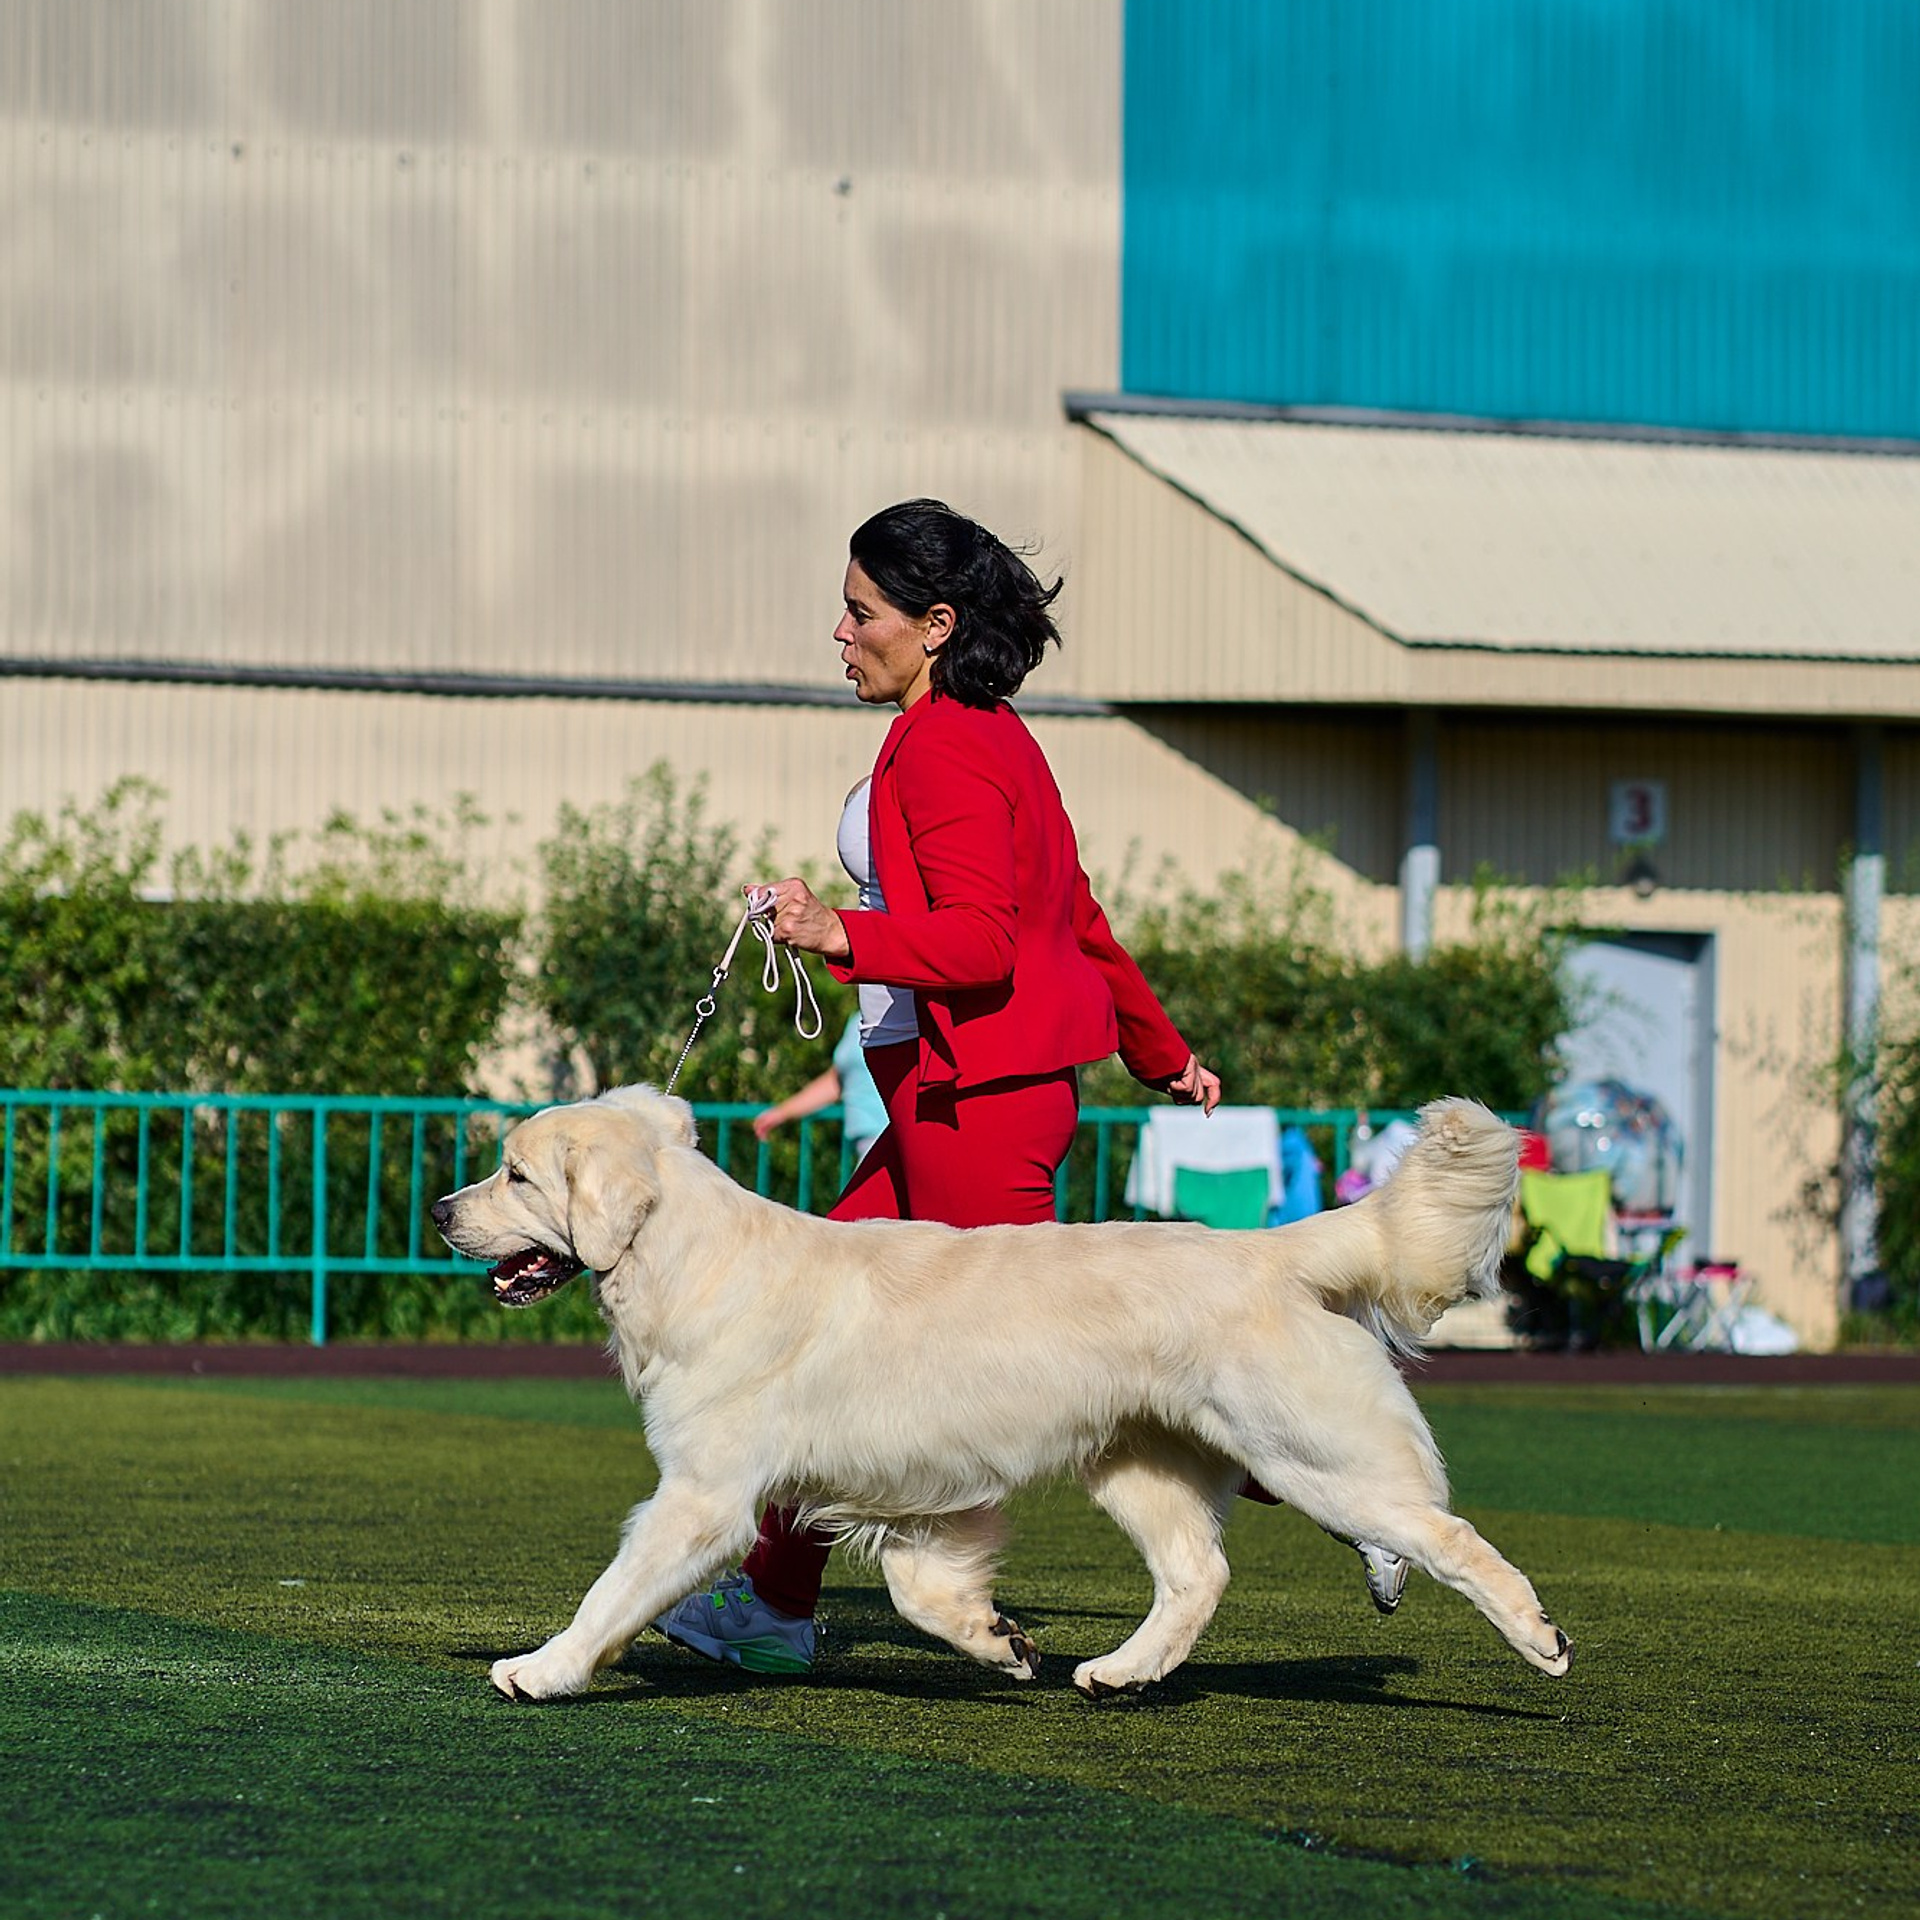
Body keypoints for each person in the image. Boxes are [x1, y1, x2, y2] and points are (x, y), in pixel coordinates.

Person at [654, 498, 1218, 1673]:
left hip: (977, 1104)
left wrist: (839, 932)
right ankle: (773, 1607)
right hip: (951, 1098)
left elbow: (983, 944)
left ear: (936, 624)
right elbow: (1077, 922)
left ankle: (1321, 1475)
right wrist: (1160, 1054)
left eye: (862, 613)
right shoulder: (989, 733)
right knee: (815, 1346)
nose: (842, 633)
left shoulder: (946, 745)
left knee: (1083, 1358)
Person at [752, 1009, 889, 1167]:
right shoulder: (857, 1020)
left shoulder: (901, 1016)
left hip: (891, 1139)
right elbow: (836, 1081)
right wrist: (780, 1113)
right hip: (867, 1145)